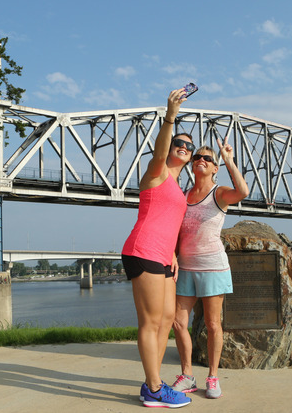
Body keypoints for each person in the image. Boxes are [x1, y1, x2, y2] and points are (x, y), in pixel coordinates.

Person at [121, 88, 194, 408]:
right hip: (143, 250)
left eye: (189, 146)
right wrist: (170, 117)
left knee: (166, 321)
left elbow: (171, 222)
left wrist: (175, 253)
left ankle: (154, 383)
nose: (184, 147)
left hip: (164, 257)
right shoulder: (157, 173)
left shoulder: (179, 187)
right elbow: (159, 152)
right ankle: (153, 388)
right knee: (151, 323)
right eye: (180, 142)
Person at [171, 136, 250, 399]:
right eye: (197, 158)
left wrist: (228, 159)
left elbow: (243, 192)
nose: (201, 160)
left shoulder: (219, 193)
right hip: (186, 267)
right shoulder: (183, 196)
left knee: (214, 324)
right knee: (178, 322)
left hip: (213, 267)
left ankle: (213, 377)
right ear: (191, 165)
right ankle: (187, 375)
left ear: (215, 167)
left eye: (207, 158)